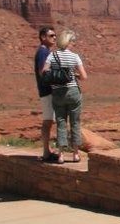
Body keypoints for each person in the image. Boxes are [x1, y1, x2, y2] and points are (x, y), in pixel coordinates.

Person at [41, 30, 88, 162]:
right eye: (73, 41)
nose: (73, 44)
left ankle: (61, 155)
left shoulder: (52, 55)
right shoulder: (75, 56)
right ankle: (75, 154)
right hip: (73, 92)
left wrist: (56, 75)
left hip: (58, 93)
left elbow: (44, 71)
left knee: (61, 122)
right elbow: (84, 76)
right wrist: (74, 75)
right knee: (75, 122)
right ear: (68, 42)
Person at [34, 26, 60, 162]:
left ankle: (47, 150)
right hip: (47, 91)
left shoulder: (45, 52)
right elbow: (43, 72)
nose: (54, 38)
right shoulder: (43, 53)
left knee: (49, 121)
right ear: (43, 37)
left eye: (55, 35)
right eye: (51, 36)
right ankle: (46, 152)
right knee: (48, 121)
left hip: (47, 91)